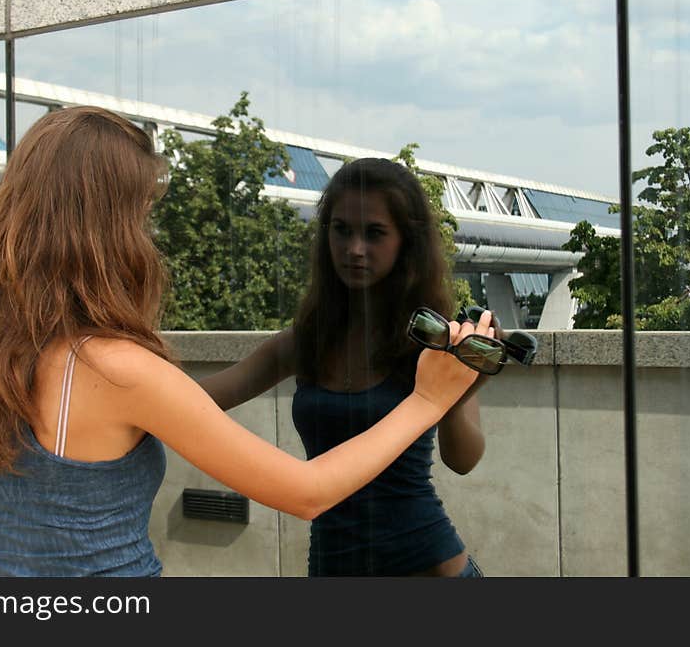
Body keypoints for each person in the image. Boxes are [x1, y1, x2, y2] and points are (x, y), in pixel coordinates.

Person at [0, 107, 490, 577]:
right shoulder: (120, 370)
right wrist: (427, 400)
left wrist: (452, 396)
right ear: (105, 228)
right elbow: (305, 491)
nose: (145, 236)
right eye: (140, 216)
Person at [200, 158, 496, 577]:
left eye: (374, 233)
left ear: (405, 243)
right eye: (341, 230)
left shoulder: (431, 340)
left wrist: (460, 388)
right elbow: (195, 402)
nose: (354, 249)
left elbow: (463, 459)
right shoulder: (307, 341)